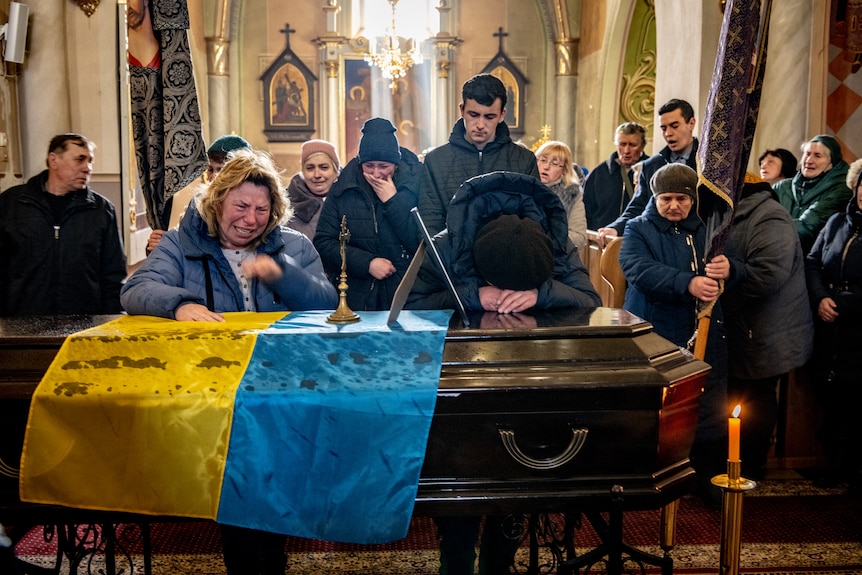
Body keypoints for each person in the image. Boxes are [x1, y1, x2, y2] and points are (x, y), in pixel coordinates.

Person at [121, 147, 336, 575]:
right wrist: (180, 304)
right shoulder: (183, 243)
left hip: (277, 393)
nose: (251, 219)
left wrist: (282, 274)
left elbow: (327, 301)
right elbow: (135, 289)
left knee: (269, 490)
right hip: (212, 391)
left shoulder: (291, 244)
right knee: (236, 490)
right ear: (218, 201)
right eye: (241, 206)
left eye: (262, 209)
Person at [407, 170, 600, 575]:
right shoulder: (446, 245)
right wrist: (472, 295)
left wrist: (540, 294)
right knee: (460, 485)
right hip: (459, 386)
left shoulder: (554, 242)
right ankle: (456, 558)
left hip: (527, 378)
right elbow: (411, 305)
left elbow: (589, 300)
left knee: (516, 486)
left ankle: (500, 561)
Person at [619, 163, 741, 506]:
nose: (674, 206)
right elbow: (637, 268)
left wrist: (729, 269)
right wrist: (686, 282)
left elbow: (738, 265)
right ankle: (651, 475)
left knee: (706, 405)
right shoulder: (638, 228)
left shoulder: (710, 228)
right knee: (658, 408)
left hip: (705, 332)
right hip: (657, 332)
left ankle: (703, 475)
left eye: (682, 199)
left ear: (693, 199)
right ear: (655, 197)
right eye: (666, 198)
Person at [722, 175, 813, 481]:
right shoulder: (738, 212)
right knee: (737, 395)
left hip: (768, 329)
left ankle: (750, 468)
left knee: (755, 400)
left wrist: (724, 298)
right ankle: (733, 462)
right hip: (747, 325)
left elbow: (768, 275)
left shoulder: (770, 216)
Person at [0, 133, 126, 317]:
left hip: (83, 324)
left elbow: (113, 275)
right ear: (53, 161)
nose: (87, 168)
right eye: (80, 160)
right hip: (22, 324)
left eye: (90, 161)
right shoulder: (12, 204)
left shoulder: (101, 210)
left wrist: (110, 323)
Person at [313, 117, 421, 311]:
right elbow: (324, 242)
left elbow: (421, 242)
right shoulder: (344, 188)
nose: (376, 174)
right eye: (369, 166)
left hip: (407, 296)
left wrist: (393, 201)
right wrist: (367, 263)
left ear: (395, 164)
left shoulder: (415, 184)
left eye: (384, 166)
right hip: (358, 297)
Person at [418, 73, 540, 237]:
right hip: (452, 259)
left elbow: (534, 221)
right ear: (462, 110)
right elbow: (430, 224)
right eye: (473, 115)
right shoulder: (436, 161)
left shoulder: (524, 161)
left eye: (489, 117)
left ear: (502, 115)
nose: (480, 125)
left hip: (507, 257)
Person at [804, 158, 862, 493]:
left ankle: (855, 470)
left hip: (858, 329)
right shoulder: (838, 221)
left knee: (857, 404)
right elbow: (813, 261)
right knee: (833, 402)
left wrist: (842, 303)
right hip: (829, 327)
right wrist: (821, 297)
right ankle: (835, 465)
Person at [597, 99, 699, 247]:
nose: (668, 133)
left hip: (696, 242)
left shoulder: (708, 163)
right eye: (663, 128)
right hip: (660, 244)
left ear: (691, 123)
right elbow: (638, 206)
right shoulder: (651, 166)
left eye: (674, 126)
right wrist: (615, 228)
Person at [147, 134, 252, 253]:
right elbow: (185, 241)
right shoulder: (197, 206)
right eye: (211, 169)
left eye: (221, 169)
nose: (214, 176)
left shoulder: (254, 208)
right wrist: (162, 243)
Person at [774, 134, 852, 254]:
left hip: (810, 261)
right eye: (807, 154)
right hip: (776, 253)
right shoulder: (782, 186)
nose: (809, 160)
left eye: (817, 156)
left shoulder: (841, 189)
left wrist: (768, 231)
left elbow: (808, 227)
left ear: (831, 164)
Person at [583, 122, 649, 230]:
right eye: (622, 144)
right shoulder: (599, 173)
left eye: (632, 145)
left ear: (642, 146)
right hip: (603, 238)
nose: (627, 151)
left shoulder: (651, 171)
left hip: (638, 238)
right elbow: (586, 210)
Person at [534, 140, 587, 249]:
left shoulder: (572, 193)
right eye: (543, 160)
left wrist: (548, 241)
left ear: (564, 170)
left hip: (555, 256)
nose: (546, 167)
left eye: (554, 163)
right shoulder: (522, 185)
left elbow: (579, 236)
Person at [286, 139, 341, 240]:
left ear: (336, 171)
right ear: (302, 172)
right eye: (310, 168)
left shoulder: (352, 200)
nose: (317, 175)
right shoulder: (286, 205)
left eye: (324, 167)